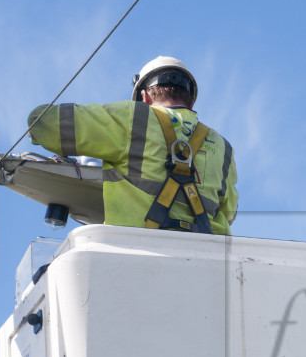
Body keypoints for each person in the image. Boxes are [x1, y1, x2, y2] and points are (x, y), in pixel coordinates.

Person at [27, 56, 238, 234]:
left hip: (138, 255)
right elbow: (229, 213)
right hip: (208, 263)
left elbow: (43, 124)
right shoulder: (223, 148)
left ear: (144, 96)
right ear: (191, 101)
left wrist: (35, 130)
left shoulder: (133, 118)